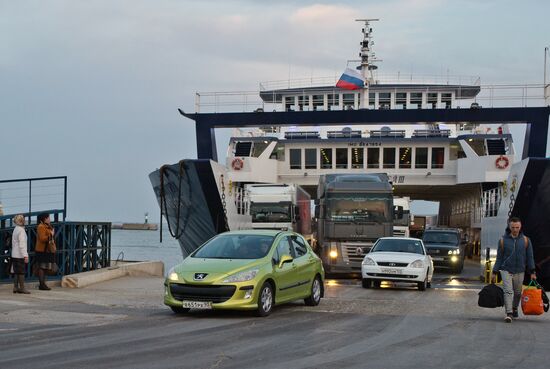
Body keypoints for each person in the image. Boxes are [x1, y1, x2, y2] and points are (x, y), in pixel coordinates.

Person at [492, 217, 536, 323]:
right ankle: (509, 313)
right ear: (509, 227)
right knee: (508, 291)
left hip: (520, 270)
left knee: (517, 292)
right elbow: (499, 258)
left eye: (517, 227)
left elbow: (530, 257)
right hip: (506, 269)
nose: (515, 229)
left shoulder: (526, 240)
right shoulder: (502, 241)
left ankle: (515, 307)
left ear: (520, 227)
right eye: (513, 227)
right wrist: (494, 271)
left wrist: (532, 272)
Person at [35, 213, 56, 290]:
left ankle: (43, 283)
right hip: (42, 250)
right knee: (42, 267)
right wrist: (51, 234)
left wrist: (51, 234)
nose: (50, 219)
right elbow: (42, 238)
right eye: (48, 218)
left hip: (47, 250)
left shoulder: (47, 226)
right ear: (44, 219)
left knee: (45, 268)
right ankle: (42, 284)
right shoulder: (41, 227)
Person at [11, 214, 30, 294]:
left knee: (16, 271)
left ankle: (15, 287)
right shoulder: (21, 231)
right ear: (22, 221)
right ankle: (22, 288)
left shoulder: (16, 229)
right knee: (21, 271)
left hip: (14, 254)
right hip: (19, 255)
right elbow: (22, 245)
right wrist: (25, 255)